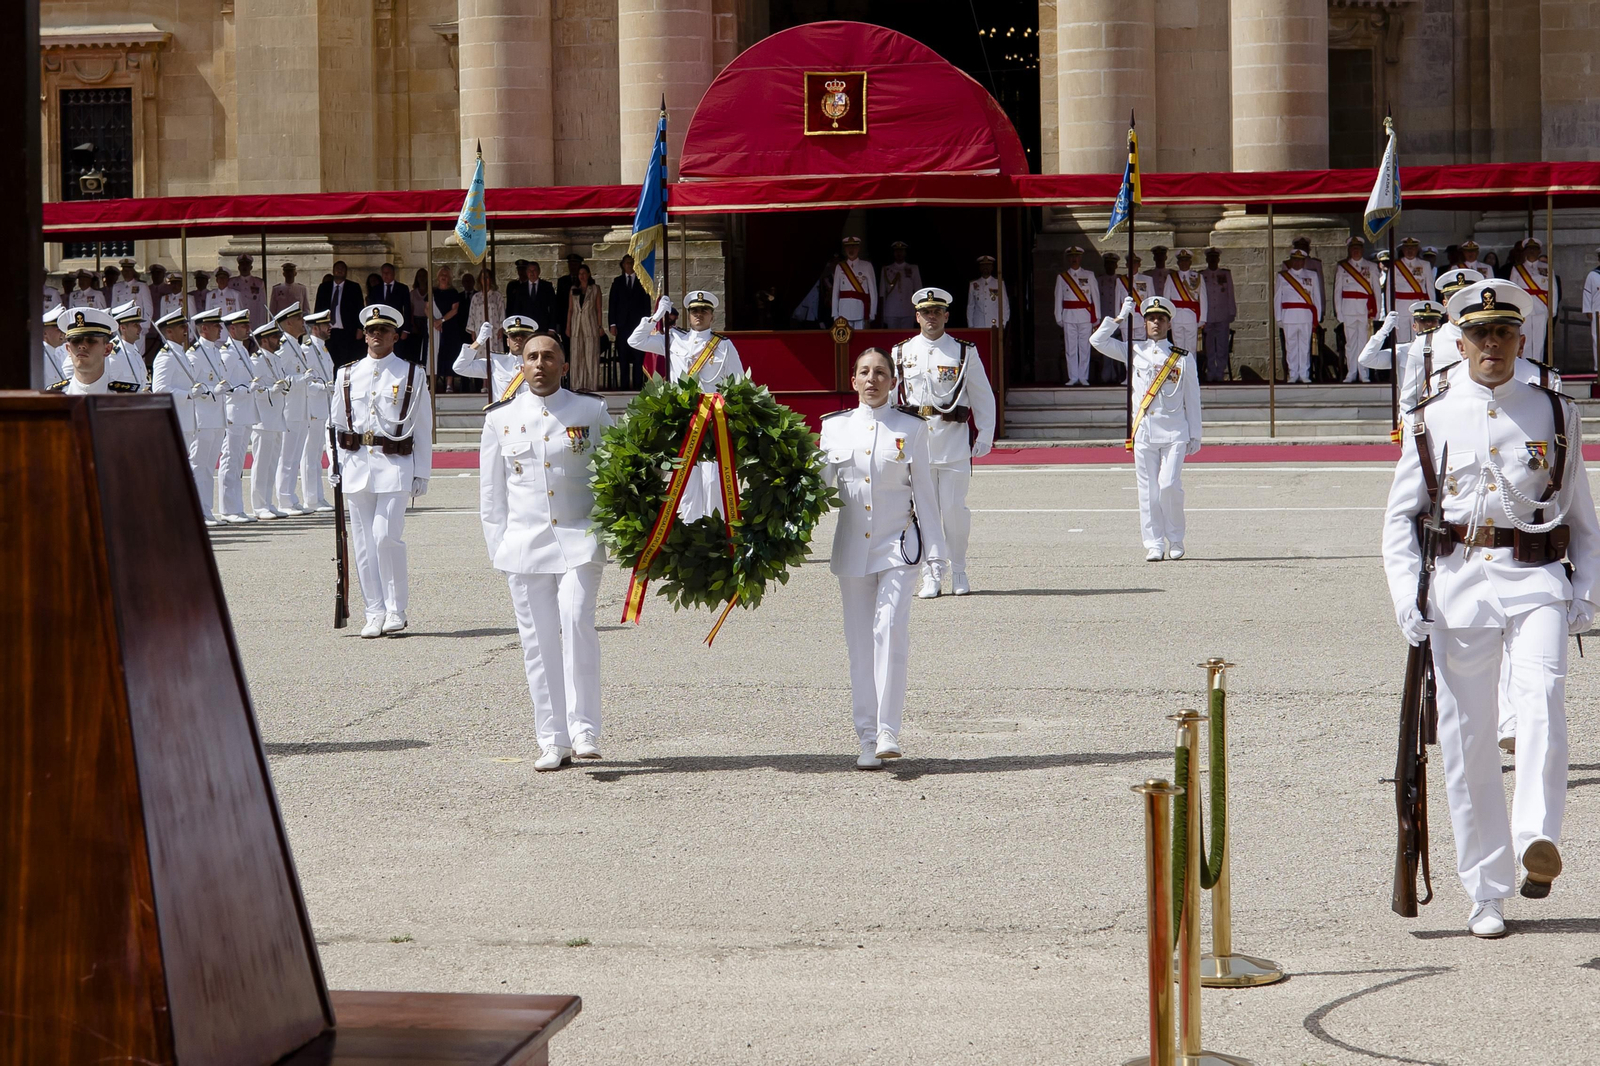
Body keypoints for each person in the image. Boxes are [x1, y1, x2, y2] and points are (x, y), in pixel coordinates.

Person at [1381, 278, 1600, 938]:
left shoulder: (1554, 411)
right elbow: (1399, 520)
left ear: (1520, 338)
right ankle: (1487, 889)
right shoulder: (1431, 414)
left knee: (1540, 701)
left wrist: (1586, 590)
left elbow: (1582, 515)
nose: (1492, 345)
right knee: (1468, 740)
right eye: (1480, 334)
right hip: (1456, 586)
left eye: (1503, 332)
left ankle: (1537, 839)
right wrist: (1405, 600)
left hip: (1535, 580)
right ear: (1461, 340)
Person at [479, 328, 613, 771]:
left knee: (576, 623)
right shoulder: (499, 418)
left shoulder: (590, 411)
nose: (539, 363)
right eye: (532, 356)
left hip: (580, 538)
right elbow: (491, 495)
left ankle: (584, 730)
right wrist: (500, 547)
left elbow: (614, 476)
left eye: (549, 356)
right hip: (524, 544)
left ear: (565, 365)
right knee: (537, 643)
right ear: (522, 366)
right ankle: (552, 738)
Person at [821, 347, 946, 769]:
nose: (871, 379)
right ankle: (866, 736)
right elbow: (818, 492)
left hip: (898, 543)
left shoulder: (911, 428)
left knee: (890, 630)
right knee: (859, 645)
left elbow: (925, 494)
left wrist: (936, 555)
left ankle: (889, 731)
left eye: (880, 373)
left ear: (893, 382)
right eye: (863, 372)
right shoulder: (834, 429)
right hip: (853, 546)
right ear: (853, 381)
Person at [329, 303, 434, 637]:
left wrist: (422, 472)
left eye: (384, 330)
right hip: (357, 464)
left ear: (395, 336)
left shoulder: (411, 374)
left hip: (395, 464)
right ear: (364, 335)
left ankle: (395, 609)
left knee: (385, 535)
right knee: (362, 542)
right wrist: (334, 464)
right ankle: (373, 610)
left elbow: (423, 426)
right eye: (372, 330)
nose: (377, 335)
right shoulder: (346, 374)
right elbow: (335, 425)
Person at [892, 287, 997, 598]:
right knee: (923, 513)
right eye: (926, 312)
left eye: (937, 311)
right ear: (917, 316)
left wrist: (986, 433)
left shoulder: (963, 352)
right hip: (917, 445)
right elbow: (889, 399)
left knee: (953, 510)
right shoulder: (901, 352)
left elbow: (982, 395)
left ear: (947, 315)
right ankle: (931, 572)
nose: (932, 317)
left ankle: (959, 568)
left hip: (952, 442)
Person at [1091, 295, 1203, 562]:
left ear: (1168, 323)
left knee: (1169, 485)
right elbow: (1097, 341)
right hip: (1144, 431)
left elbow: (1192, 397)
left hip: (1175, 431)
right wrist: (1118, 319)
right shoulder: (1134, 350)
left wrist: (1195, 433)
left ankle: (1175, 538)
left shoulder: (1182, 358)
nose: (1156, 322)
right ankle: (1154, 543)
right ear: (1144, 323)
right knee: (1148, 490)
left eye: (1161, 318)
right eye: (1151, 318)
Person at [630, 291, 746, 522]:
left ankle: (717, 528)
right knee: (685, 477)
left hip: (714, 420)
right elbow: (635, 341)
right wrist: (655, 317)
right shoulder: (673, 338)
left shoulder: (724, 346)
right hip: (683, 418)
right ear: (688, 315)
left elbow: (739, 383)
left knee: (713, 478)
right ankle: (690, 527)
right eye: (694, 311)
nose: (699, 315)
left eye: (704, 311)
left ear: (712, 316)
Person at [179, 307, 230, 525]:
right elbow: (192, 386)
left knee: (209, 467)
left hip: (216, 416)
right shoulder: (194, 355)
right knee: (199, 466)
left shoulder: (216, 352)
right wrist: (211, 390)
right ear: (204, 329)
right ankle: (197, 510)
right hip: (202, 417)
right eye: (216, 326)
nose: (220, 329)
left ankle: (207, 510)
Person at [216, 308, 265, 524]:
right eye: (244, 326)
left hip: (245, 411)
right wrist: (246, 388)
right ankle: (228, 508)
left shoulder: (243, 351)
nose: (248, 329)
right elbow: (224, 385)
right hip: (233, 411)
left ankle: (237, 506)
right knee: (230, 459)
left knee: (237, 463)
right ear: (232, 329)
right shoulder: (226, 353)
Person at [270, 305, 317, 515]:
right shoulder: (284, 346)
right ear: (288, 323)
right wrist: (300, 379)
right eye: (298, 318)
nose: (302, 321)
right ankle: (284, 500)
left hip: (300, 407)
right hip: (290, 408)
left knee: (295, 455)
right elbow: (277, 376)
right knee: (287, 456)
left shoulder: (296, 345)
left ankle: (291, 496)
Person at [247, 318, 291, 521]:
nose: (278, 340)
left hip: (276, 418)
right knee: (261, 463)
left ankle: (268, 502)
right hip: (263, 419)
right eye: (274, 337)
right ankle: (258, 505)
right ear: (263, 340)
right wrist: (270, 391)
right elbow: (253, 389)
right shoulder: (256, 361)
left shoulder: (275, 359)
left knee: (272, 462)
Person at [295, 308, 336, 511]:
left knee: (316, 455)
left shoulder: (323, 349)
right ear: (315, 328)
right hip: (312, 406)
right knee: (309, 454)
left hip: (323, 407)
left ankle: (318, 496)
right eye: (326, 325)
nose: (329, 328)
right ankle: (311, 498)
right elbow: (307, 382)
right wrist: (323, 387)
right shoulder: (307, 350)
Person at [44, 308, 140, 395]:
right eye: (76, 341)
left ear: (107, 349)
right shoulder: (53, 397)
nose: (81, 346)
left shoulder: (127, 397)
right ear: (68, 349)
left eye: (91, 341)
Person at [149, 306, 200, 454]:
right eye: (181, 327)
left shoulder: (180, 353)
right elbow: (159, 389)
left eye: (185, 326)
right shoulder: (166, 356)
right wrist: (188, 394)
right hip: (176, 422)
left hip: (187, 421)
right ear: (169, 332)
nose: (186, 329)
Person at [458, 313, 537, 402]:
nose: (518, 338)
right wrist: (478, 342)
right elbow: (460, 367)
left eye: (523, 335)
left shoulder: (537, 364)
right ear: (507, 341)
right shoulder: (496, 362)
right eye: (514, 335)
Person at [1335, 237, 1380, 383]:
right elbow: (1338, 292)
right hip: (1348, 309)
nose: (1356, 251)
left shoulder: (1371, 267)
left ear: (1362, 250)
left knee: (1364, 342)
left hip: (1365, 310)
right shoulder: (1343, 268)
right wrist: (1339, 312)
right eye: (1353, 248)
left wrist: (1377, 311)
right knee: (1350, 343)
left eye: (1358, 248)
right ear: (1349, 250)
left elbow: (1377, 291)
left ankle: (1363, 373)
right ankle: (1351, 372)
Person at [1053, 246, 1100, 387]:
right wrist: (1058, 316)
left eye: (1077, 256)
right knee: (1070, 348)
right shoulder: (1062, 278)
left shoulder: (1089, 275)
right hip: (1069, 316)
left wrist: (1097, 316)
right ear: (1068, 259)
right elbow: (1058, 298)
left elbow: (1095, 297)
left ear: (1080, 258)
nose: (1074, 259)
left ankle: (1083, 377)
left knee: (1084, 347)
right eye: (1071, 257)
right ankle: (1073, 377)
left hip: (1085, 316)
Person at [1275, 248, 1323, 383]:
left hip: (1306, 315)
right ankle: (1293, 373)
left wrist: (1317, 317)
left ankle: (1304, 373)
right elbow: (1277, 298)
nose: (1297, 263)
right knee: (1290, 346)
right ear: (1291, 261)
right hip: (1289, 316)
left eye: (1300, 260)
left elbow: (1316, 297)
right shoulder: (1282, 276)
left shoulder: (1312, 275)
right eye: (1295, 260)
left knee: (1304, 346)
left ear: (1304, 261)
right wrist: (1278, 317)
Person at [607, 254, 652, 389]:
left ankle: (638, 385)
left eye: (632, 263)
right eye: (627, 263)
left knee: (638, 357)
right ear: (622, 265)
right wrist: (612, 324)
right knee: (624, 357)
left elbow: (646, 305)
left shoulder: (642, 281)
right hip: (622, 326)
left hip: (638, 326)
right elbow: (612, 304)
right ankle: (624, 385)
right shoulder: (617, 282)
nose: (629, 265)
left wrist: (647, 325)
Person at [1510, 237, 1557, 363]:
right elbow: (1513, 291)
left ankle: (1537, 366)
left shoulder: (1547, 268)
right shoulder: (1517, 269)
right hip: (1523, 309)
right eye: (1529, 249)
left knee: (1539, 341)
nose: (1531, 252)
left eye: (1534, 249)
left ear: (1539, 251)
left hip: (1541, 307)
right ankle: (1525, 365)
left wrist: (1552, 310)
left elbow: (1553, 289)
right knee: (1525, 340)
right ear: (1524, 251)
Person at [316, 260, 368, 364]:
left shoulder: (353, 287)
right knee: (329, 359)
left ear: (346, 272)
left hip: (346, 331)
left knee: (345, 359)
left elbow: (360, 308)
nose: (340, 271)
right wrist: (317, 327)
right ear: (333, 271)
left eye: (342, 269)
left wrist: (359, 328)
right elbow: (318, 308)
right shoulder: (324, 287)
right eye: (337, 269)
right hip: (329, 331)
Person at [465, 265, 506, 392]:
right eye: (483, 278)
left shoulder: (497, 296)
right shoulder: (476, 297)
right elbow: (471, 314)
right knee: (482, 356)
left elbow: (501, 312)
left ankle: (494, 383)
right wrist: (472, 330)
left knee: (494, 355)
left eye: (487, 277)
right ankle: (484, 383)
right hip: (480, 330)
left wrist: (501, 328)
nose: (485, 280)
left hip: (494, 330)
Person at [1199, 248, 1236, 381]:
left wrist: (1232, 311)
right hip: (1208, 316)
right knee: (1208, 346)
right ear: (1207, 260)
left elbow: (1230, 293)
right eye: (1210, 258)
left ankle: (1220, 372)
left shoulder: (1225, 274)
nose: (1213, 261)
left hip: (1222, 314)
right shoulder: (1202, 275)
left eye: (1215, 258)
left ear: (1218, 260)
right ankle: (1210, 371)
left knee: (1222, 345)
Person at [1162, 249, 1208, 357]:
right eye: (1181, 261)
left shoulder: (1197, 277)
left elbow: (1203, 298)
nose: (1184, 263)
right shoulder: (1171, 277)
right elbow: (1166, 299)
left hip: (1191, 317)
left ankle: (1190, 373)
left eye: (1186, 260)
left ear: (1190, 262)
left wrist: (1202, 319)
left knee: (1191, 349)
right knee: (1177, 349)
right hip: (1176, 317)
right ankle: (1180, 373)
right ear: (1178, 263)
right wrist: (1166, 318)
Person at [566, 264, 603, 392]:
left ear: (589, 274)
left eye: (584, 273)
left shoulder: (595, 289)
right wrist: (568, 327)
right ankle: (576, 385)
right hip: (576, 325)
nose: (582, 276)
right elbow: (570, 310)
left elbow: (599, 309)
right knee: (576, 356)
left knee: (590, 355)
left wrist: (599, 326)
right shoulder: (573, 289)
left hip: (591, 325)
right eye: (580, 274)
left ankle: (591, 385)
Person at [431, 266, 466, 392]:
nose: (444, 277)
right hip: (435, 328)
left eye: (446, 275)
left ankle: (449, 383)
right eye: (442, 274)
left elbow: (455, 309)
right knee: (435, 354)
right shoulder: (433, 292)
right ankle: (433, 383)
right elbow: (426, 307)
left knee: (450, 354)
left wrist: (441, 321)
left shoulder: (453, 292)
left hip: (450, 327)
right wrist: (434, 321)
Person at [831, 237, 876, 328]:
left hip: (861, 311)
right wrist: (835, 314)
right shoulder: (840, 267)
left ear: (858, 248)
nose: (851, 250)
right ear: (845, 249)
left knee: (861, 340)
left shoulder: (867, 266)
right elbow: (835, 293)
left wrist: (872, 313)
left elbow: (873, 292)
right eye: (848, 247)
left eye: (854, 247)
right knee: (844, 341)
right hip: (843, 312)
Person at [879, 241, 922, 329]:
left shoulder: (913, 269)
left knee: (907, 338)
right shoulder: (886, 270)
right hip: (891, 310)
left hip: (908, 309)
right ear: (894, 253)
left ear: (905, 253)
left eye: (901, 251)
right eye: (897, 251)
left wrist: (919, 310)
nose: (899, 253)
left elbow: (918, 290)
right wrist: (882, 313)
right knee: (892, 338)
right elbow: (882, 293)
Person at [108, 302, 149, 390]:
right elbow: (110, 385)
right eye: (135, 325)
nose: (140, 328)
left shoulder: (134, 349)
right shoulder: (113, 353)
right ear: (123, 328)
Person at [965, 255, 1010, 331]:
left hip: (995, 324)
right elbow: (970, 306)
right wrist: (971, 325)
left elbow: (1004, 305)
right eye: (983, 265)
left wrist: (1004, 323)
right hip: (978, 324)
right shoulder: (974, 284)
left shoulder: (999, 283)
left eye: (988, 265)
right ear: (980, 268)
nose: (985, 268)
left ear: (992, 267)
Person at [227, 254, 268, 326]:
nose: (244, 267)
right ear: (239, 267)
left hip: (254, 321)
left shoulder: (258, 283)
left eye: (247, 265)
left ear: (251, 267)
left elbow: (262, 305)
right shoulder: (231, 283)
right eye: (242, 264)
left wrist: (262, 324)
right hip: (237, 321)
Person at [111, 260, 155, 324]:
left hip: (137, 323)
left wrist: (145, 326)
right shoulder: (117, 287)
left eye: (129, 271)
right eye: (125, 271)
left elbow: (148, 308)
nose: (126, 273)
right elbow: (114, 307)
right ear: (122, 272)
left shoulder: (142, 286)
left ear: (133, 272)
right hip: (121, 323)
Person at [41, 306, 69, 385]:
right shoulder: (41, 357)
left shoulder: (54, 353)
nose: (63, 334)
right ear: (44, 333)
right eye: (58, 330)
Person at [555, 253, 585, 323]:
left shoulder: (584, 281)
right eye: (570, 265)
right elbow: (559, 302)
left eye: (575, 265)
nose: (572, 267)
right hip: (565, 319)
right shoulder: (562, 281)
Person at [1584, 248, 1600, 374]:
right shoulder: (1593, 275)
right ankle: (1598, 367)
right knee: (1597, 339)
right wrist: (1588, 310)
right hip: (1597, 311)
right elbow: (1587, 294)